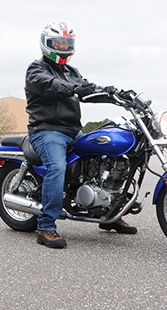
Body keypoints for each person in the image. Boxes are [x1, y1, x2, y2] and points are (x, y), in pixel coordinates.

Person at [25, 20, 137, 249]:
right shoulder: (36, 69)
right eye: (57, 42)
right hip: (47, 131)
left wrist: (112, 93)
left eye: (66, 43)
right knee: (57, 167)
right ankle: (45, 225)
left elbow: (86, 88)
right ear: (46, 44)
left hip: (72, 131)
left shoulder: (72, 72)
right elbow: (51, 84)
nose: (62, 47)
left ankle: (109, 215)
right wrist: (74, 89)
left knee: (114, 157)